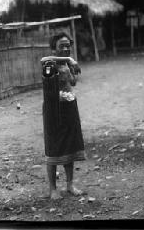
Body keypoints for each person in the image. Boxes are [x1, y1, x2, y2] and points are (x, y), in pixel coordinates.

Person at [41, 32, 85, 199]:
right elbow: (44, 60)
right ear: (54, 48)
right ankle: (53, 189)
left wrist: (71, 69)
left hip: (69, 108)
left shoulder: (66, 65)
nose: (66, 48)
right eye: (62, 46)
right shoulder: (49, 64)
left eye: (68, 45)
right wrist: (70, 60)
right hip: (53, 110)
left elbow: (72, 83)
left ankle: (70, 184)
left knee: (70, 146)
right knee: (53, 148)